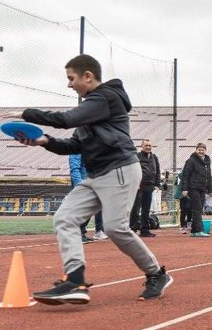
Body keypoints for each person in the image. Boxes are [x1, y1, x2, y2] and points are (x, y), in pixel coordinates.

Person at [1, 54, 172, 304]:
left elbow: (65, 120)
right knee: (65, 218)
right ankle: (75, 281)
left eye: (71, 78)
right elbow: (74, 145)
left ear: (88, 76)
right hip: (97, 175)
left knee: (115, 228)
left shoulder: (105, 97)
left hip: (120, 168)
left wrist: (26, 113)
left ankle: (156, 273)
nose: (69, 84)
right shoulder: (92, 111)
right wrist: (44, 141)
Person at [69, 153, 106, 242]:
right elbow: (74, 168)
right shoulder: (76, 150)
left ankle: (81, 232)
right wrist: (79, 184)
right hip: (82, 182)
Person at [128, 139, 161, 237]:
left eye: (150, 145)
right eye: (146, 145)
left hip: (150, 186)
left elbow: (157, 171)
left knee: (146, 209)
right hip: (139, 186)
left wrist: (157, 184)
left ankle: (145, 230)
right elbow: (132, 171)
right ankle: (132, 229)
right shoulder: (136, 156)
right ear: (142, 146)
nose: (148, 147)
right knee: (135, 208)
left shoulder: (154, 157)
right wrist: (135, 183)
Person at [181, 142, 212, 237]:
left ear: (205, 151)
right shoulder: (190, 161)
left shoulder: (207, 161)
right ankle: (199, 230)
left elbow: (208, 175)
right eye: (199, 150)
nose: (201, 151)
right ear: (196, 150)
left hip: (202, 188)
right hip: (193, 187)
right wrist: (185, 189)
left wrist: (210, 189)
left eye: (203, 150)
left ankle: (194, 231)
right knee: (197, 208)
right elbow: (185, 175)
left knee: (198, 209)